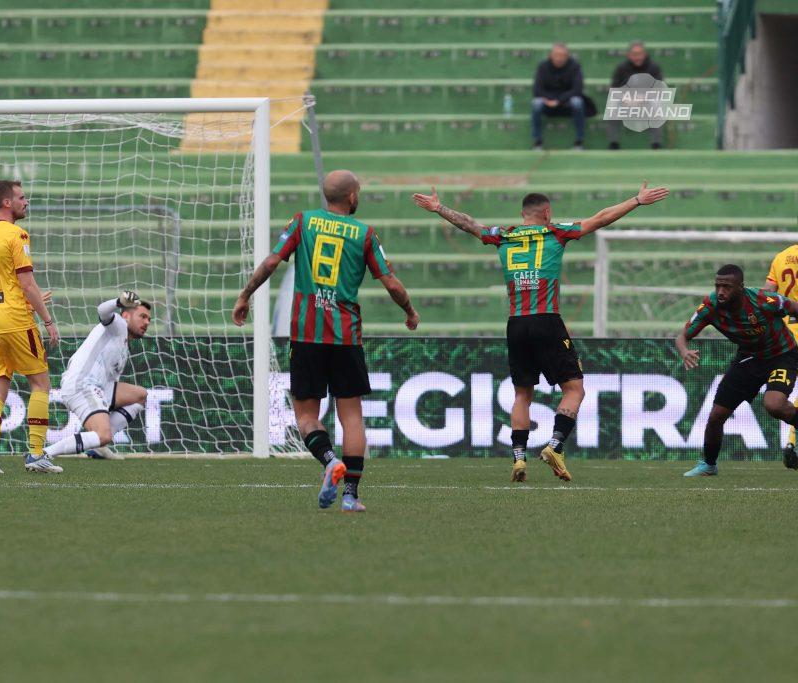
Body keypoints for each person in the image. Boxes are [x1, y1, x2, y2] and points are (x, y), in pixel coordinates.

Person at [413, 182, 669, 482]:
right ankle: (555, 446)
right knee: (574, 388)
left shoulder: (503, 235)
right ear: (546, 212)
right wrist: (636, 200)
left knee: (522, 394)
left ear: (523, 214)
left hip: (516, 324)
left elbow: (470, 224)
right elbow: (601, 217)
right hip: (547, 320)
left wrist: (439, 208)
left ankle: (519, 458)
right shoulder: (555, 232)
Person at [233, 169, 419, 513]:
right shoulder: (364, 233)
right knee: (352, 416)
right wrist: (409, 310)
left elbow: (273, 261)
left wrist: (245, 295)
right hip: (346, 337)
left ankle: (330, 460)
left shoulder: (302, 222)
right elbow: (391, 283)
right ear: (351, 197)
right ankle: (351, 495)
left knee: (306, 415)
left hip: (307, 336)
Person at [0, 180, 60, 474]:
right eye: (22, 197)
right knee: (40, 383)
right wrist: (47, 320)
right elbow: (26, 283)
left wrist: (27, 297)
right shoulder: (17, 234)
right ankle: (36, 454)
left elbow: (3, 280)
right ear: (7, 203)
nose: (27, 202)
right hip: (14, 318)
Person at [677, 265, 798, 475]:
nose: (721, 291)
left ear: (740, 287)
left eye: (727, 287)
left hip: (782, 355)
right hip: (749, 359)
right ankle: (709, 464)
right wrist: (684, 351)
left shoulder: (763, 300)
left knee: (774, 405)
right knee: (716, 416)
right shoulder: (710, 306)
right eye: (718, 286)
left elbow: (794, 308)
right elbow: (682, 336)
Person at [44, 291, 151, 460]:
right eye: (143, 316)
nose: (146, 322)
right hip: (82, 384)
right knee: (103, 434)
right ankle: (45, 454)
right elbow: (102, 311)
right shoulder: (118, 325)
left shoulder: (123, 345)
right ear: (126, 315)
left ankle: (100, 447)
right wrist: (119, 301)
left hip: (97, 387)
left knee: (140, 396)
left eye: (149, 319)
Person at [763, 246, 798, 468]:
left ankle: (791, 444)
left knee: (779, 396)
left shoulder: (782, 256)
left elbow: (767, 296)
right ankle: (792, 443)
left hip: (786, 339)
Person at [607, 41, 665, 150]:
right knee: (612, 103)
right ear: (629, 55)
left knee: (656, 103)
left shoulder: (654, 67)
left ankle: (656, 143)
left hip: (646, 101)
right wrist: (625, 99)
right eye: (634, 54)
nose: (637, 57)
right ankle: (613, 143)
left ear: (645, 54)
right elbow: (613, 89)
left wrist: (641, 98)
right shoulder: (621, 68)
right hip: (626, 101)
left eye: (640, 54)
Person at [531, 43, 587, 151]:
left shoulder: (575, 66)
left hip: (566, 101)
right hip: (548, 101)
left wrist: (559, 101)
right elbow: (537, 89)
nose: (559, 59)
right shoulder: (543, 66)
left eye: (563, 56)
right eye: (557, 55)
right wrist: (549, 99)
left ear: (567, 56)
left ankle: (579, 141)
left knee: (578, 102)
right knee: (536, 103)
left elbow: (577, 89)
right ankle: (537, 141)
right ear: (551, 55)